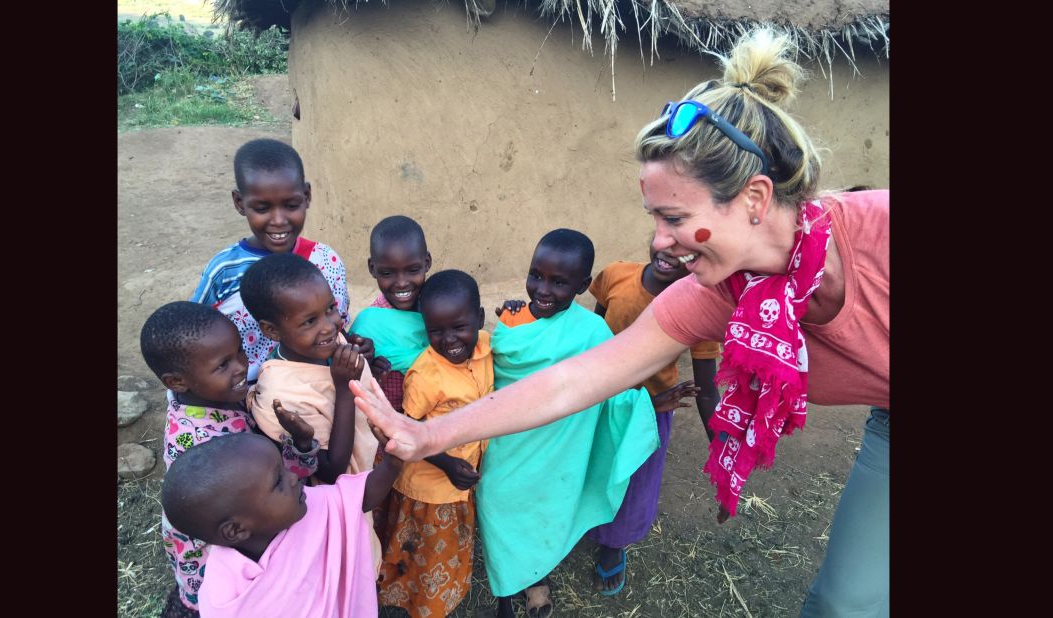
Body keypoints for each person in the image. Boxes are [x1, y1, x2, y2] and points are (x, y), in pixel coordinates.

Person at [351, 27, 889, 618]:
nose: (660, 241)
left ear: (756, 199)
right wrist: (429, 435)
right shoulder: (715, 295)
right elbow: (576, 380)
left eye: (674, 217)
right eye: (653, 217)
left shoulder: (880, 234)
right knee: (845, 602)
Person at [479, 228, 667, 618]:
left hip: (557, 451)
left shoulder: (594, 332)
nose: (542, 289)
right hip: (508, 445)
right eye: (536, 275)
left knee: (544, 512)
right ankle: (502, 596)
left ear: (583, 285)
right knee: (499, 508)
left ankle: (535, 578)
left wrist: (651, 402)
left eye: (559, 282)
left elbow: (611, 386)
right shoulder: (512, 317)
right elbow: (496, 372)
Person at [140, 301, 320, 616]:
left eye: (239, 351)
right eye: (223, 365)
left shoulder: (210, 398)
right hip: (223, 569)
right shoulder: (204, 445)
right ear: (177, 381)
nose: (240, 366)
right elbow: (260, 492)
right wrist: (301, 448)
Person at [584, 237, 719, 595]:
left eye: (685, 251)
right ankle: (582, 524)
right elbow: (593, 335)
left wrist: (724, 456)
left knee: (634, 484)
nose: (669, 253)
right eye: (667, 241)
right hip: (598, 400)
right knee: (590, 469)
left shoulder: (700, 306)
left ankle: (613, 544)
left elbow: (707, 390)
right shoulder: (615, 275)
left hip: (651, 409)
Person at [161, 432, 403, 617]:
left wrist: (393, 461)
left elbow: (361, 497)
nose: (294, 477)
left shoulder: (311, 507)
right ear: (236, 530)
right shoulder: (224, 597)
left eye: (283, 468)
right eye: (278, 482)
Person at [190, 138, 361, 382]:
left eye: (291, 205)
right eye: (262, 208)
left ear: (307, 196)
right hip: (244, 393)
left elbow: (336, 325)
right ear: (240, 203)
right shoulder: (224, 271)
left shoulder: (325, 260)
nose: (279, 220)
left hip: (322, 386)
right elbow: (196, 336)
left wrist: (353, 348)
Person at [377, 270, 491, 617]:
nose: (448, 339)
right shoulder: (426, 374)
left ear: (480, 319)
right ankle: (422, 603)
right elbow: (405, 429)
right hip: (428, 487)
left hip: (459, 481)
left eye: (459, 327)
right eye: (436, 331)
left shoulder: (486, 347)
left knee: (446, 547)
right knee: (425, 556)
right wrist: (446, 463)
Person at [239, 253, 377, 481]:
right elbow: (332, 471)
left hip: (372, 468)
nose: (329, 327)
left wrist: (364, 358)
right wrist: (344, 387)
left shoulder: (330, 343)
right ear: (272, 331)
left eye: (330, 308)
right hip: (345, 498)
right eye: (309, 321)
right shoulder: (281, 396)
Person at [347, 215, 433, 413]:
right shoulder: (368, 325)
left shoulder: (441, 306)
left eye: (412, 270)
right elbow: (355, 388)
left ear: (427, 262)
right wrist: (367, 366)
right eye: (387, 273)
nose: (401, 282)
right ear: (372, 268)